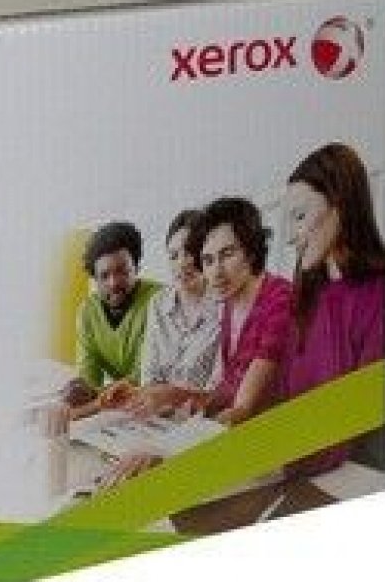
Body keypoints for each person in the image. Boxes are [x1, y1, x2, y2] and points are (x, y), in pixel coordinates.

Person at [99, 198, 293, 488]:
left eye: (228, 254)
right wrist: (156, 394)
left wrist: (163, 449)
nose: (216, 272)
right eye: (209, 260)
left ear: (251, 251)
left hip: (282, 453)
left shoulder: (279, 300)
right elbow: (224, 395)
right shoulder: (231, 305)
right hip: (242, 447)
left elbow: (241, 410)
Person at [280, 143, 385, 477]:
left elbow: (363, 418)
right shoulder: (305, 297)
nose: (290, 237)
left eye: (300, 217)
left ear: (340, 203)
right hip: (300, 468)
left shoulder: (382, 295)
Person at [101, 210, 221, 414]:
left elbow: (219, 397)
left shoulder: (225, 309)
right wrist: (135, 393)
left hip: (201, 421)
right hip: (157, 417)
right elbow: (150, 378)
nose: (181, 263)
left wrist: (171, 396)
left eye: (189, 252)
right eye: (173, 256)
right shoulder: (158, 303)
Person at [71, 221, 160, 399]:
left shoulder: (160, 301)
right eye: (104, 276)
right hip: (120, 405)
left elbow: (151, 373)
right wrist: (82, 391)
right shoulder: (88, 312)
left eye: (122, 271)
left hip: (158, 399)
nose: (113, 283)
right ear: (95, 279)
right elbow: (88, 379)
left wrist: (100, 393)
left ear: (136, 268)